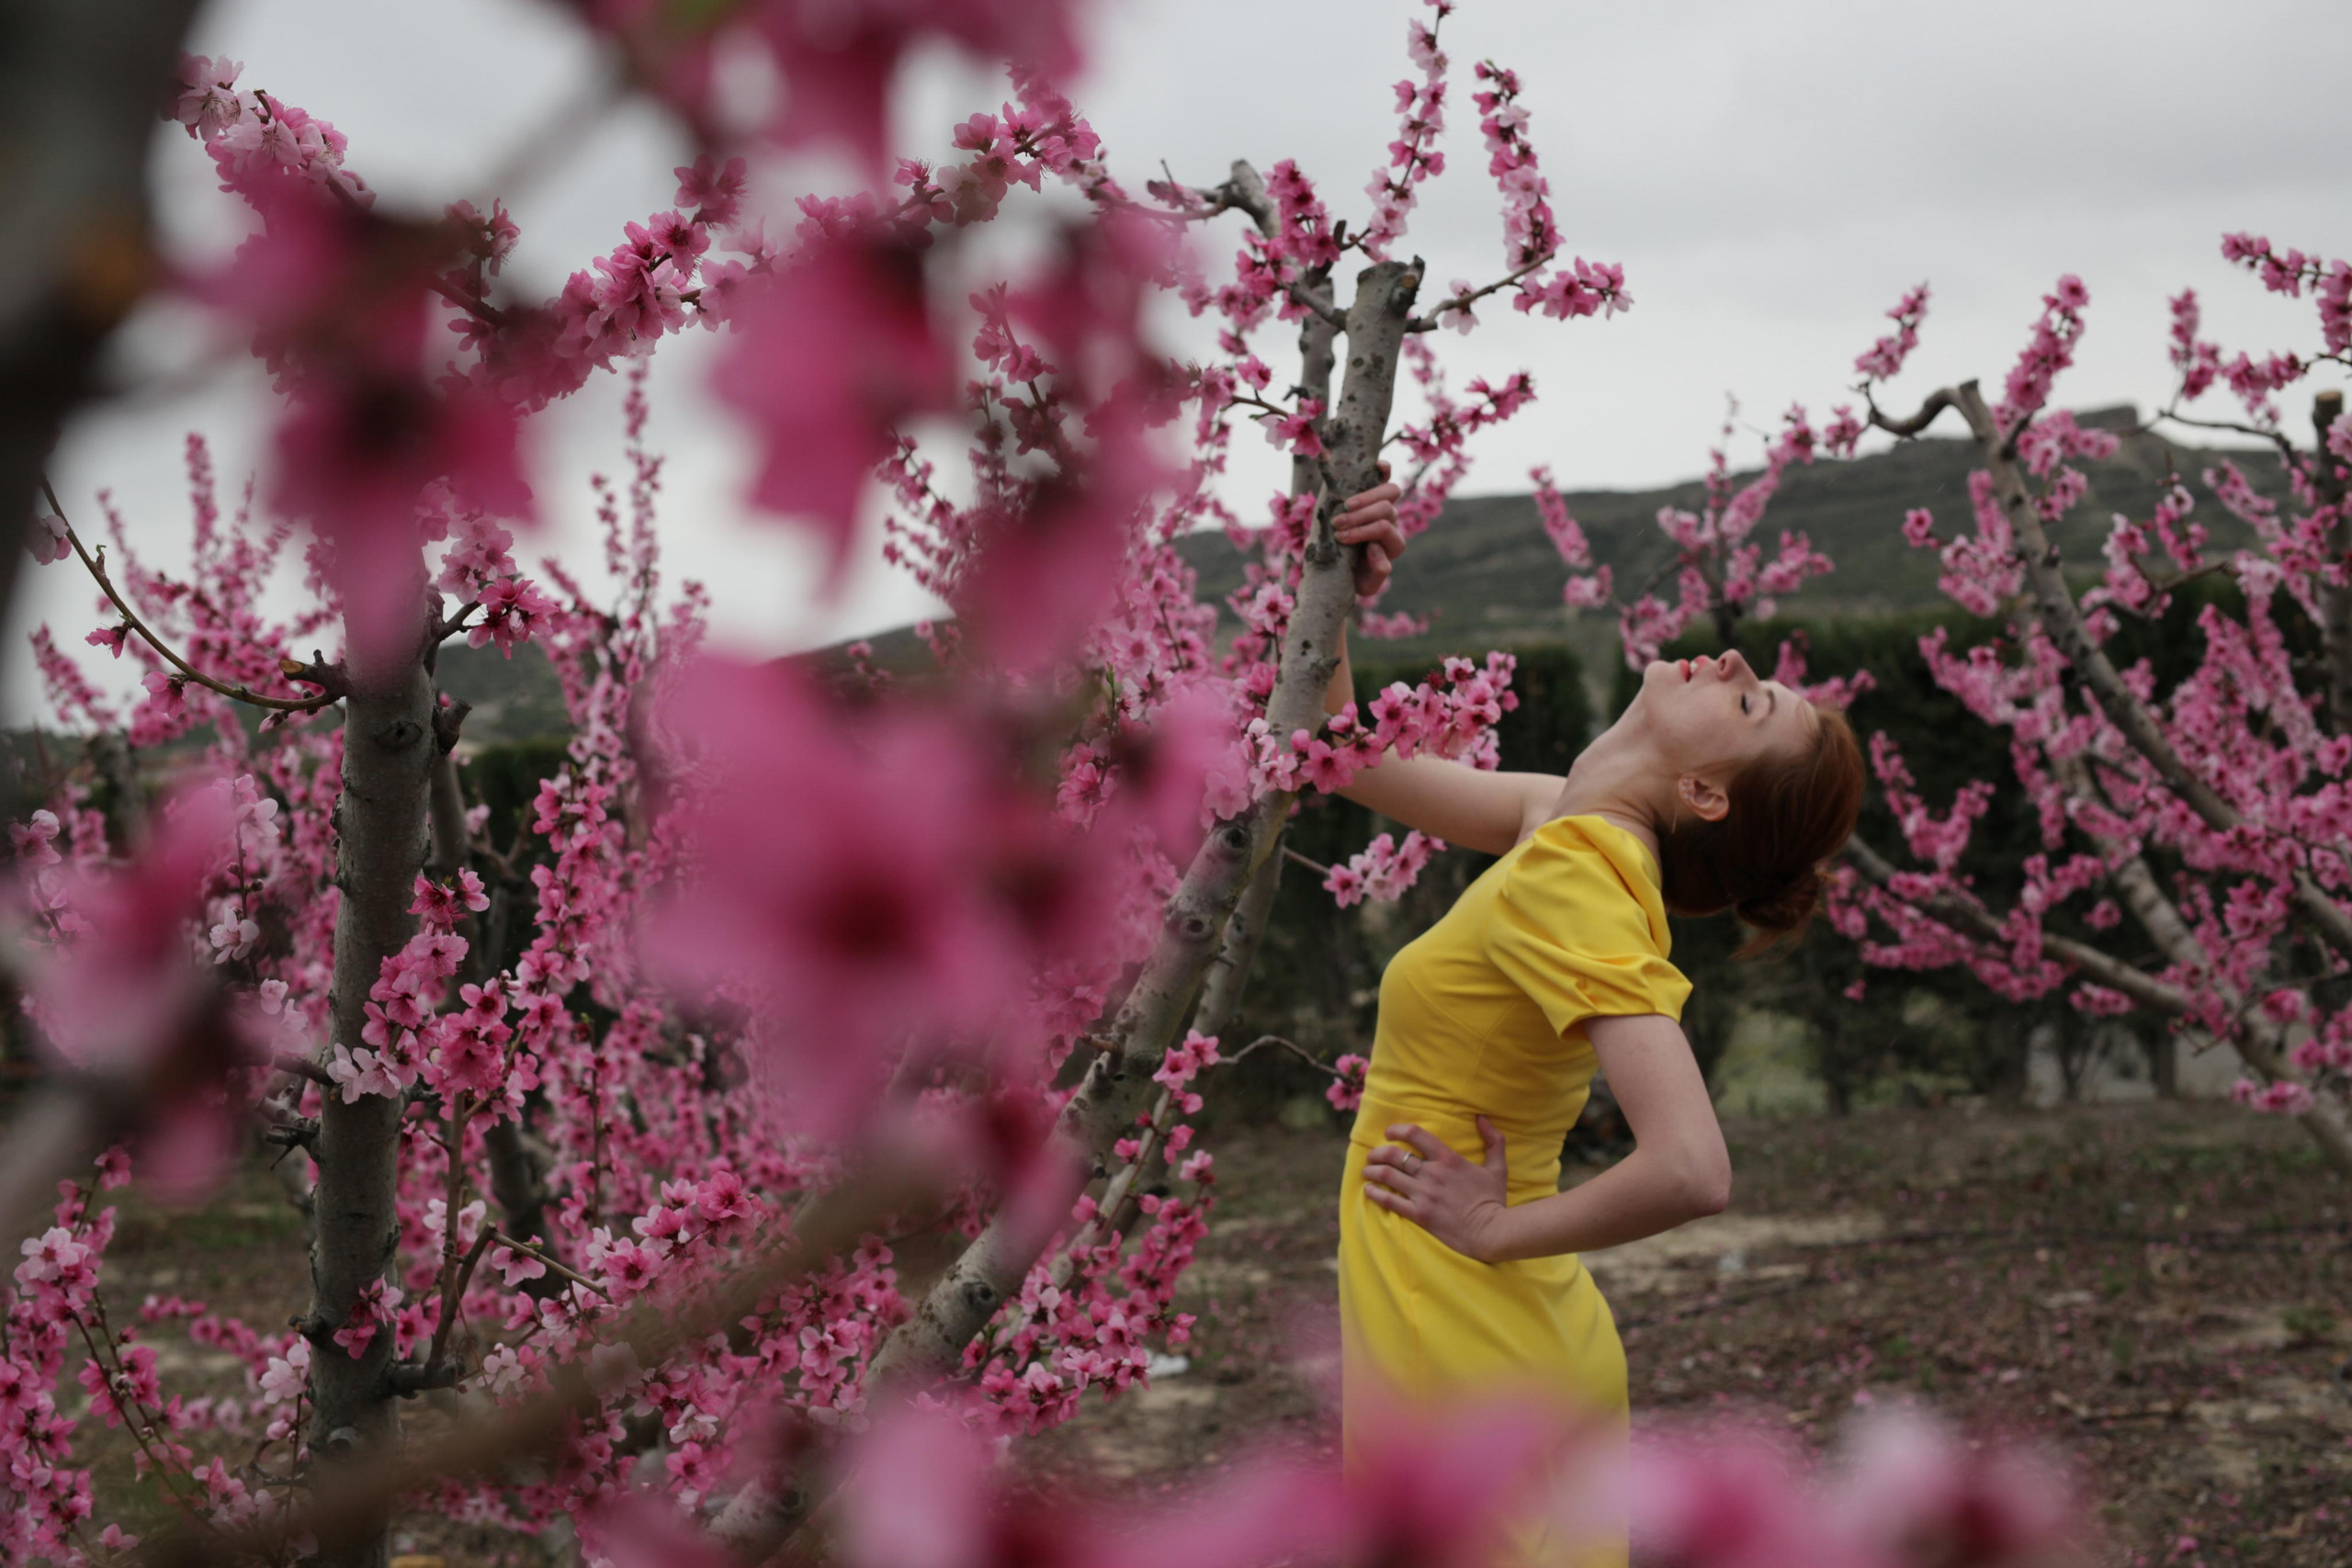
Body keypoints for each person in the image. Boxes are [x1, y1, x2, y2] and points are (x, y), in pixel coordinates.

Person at [1320, 475, 1865, 1566]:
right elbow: (1343, 749)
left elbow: (1692, 1168)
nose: (1739, 665)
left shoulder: (1579, 874)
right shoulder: (1560, 823)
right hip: (1471, 1313)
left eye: (1754, 705)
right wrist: (1338, 584)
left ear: (1707, 793)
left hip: (1463, 1308)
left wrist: (1492, 1230)